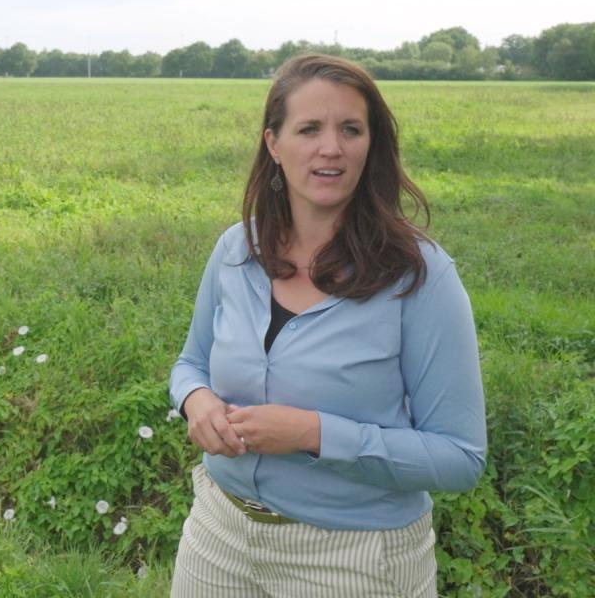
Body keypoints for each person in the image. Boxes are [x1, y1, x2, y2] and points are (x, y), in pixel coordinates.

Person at [168, 54, 486, 597]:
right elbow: (190, 363)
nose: (331, 148)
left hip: (353, 559)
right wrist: (195, 401)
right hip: (218, 534)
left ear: (372, 144)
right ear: (274, 143)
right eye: (309, 128)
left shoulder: (419, 275)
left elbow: (459, 458)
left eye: (351, 130)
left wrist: (313, 434)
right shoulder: (235, 249)